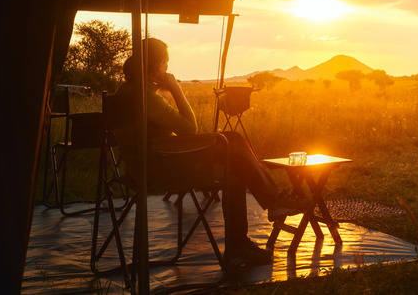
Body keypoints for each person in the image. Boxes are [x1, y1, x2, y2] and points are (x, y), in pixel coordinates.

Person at [114, 38, 309, 267]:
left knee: (233, 156)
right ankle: (267, 210)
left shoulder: (125, 91)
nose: (168, 67)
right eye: (166, 62)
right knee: (232, 151)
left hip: (149, 164)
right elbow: (189, 128)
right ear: (157, 66)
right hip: (161, 169)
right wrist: (175, 88)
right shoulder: (146, 98)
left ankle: (247, 236)